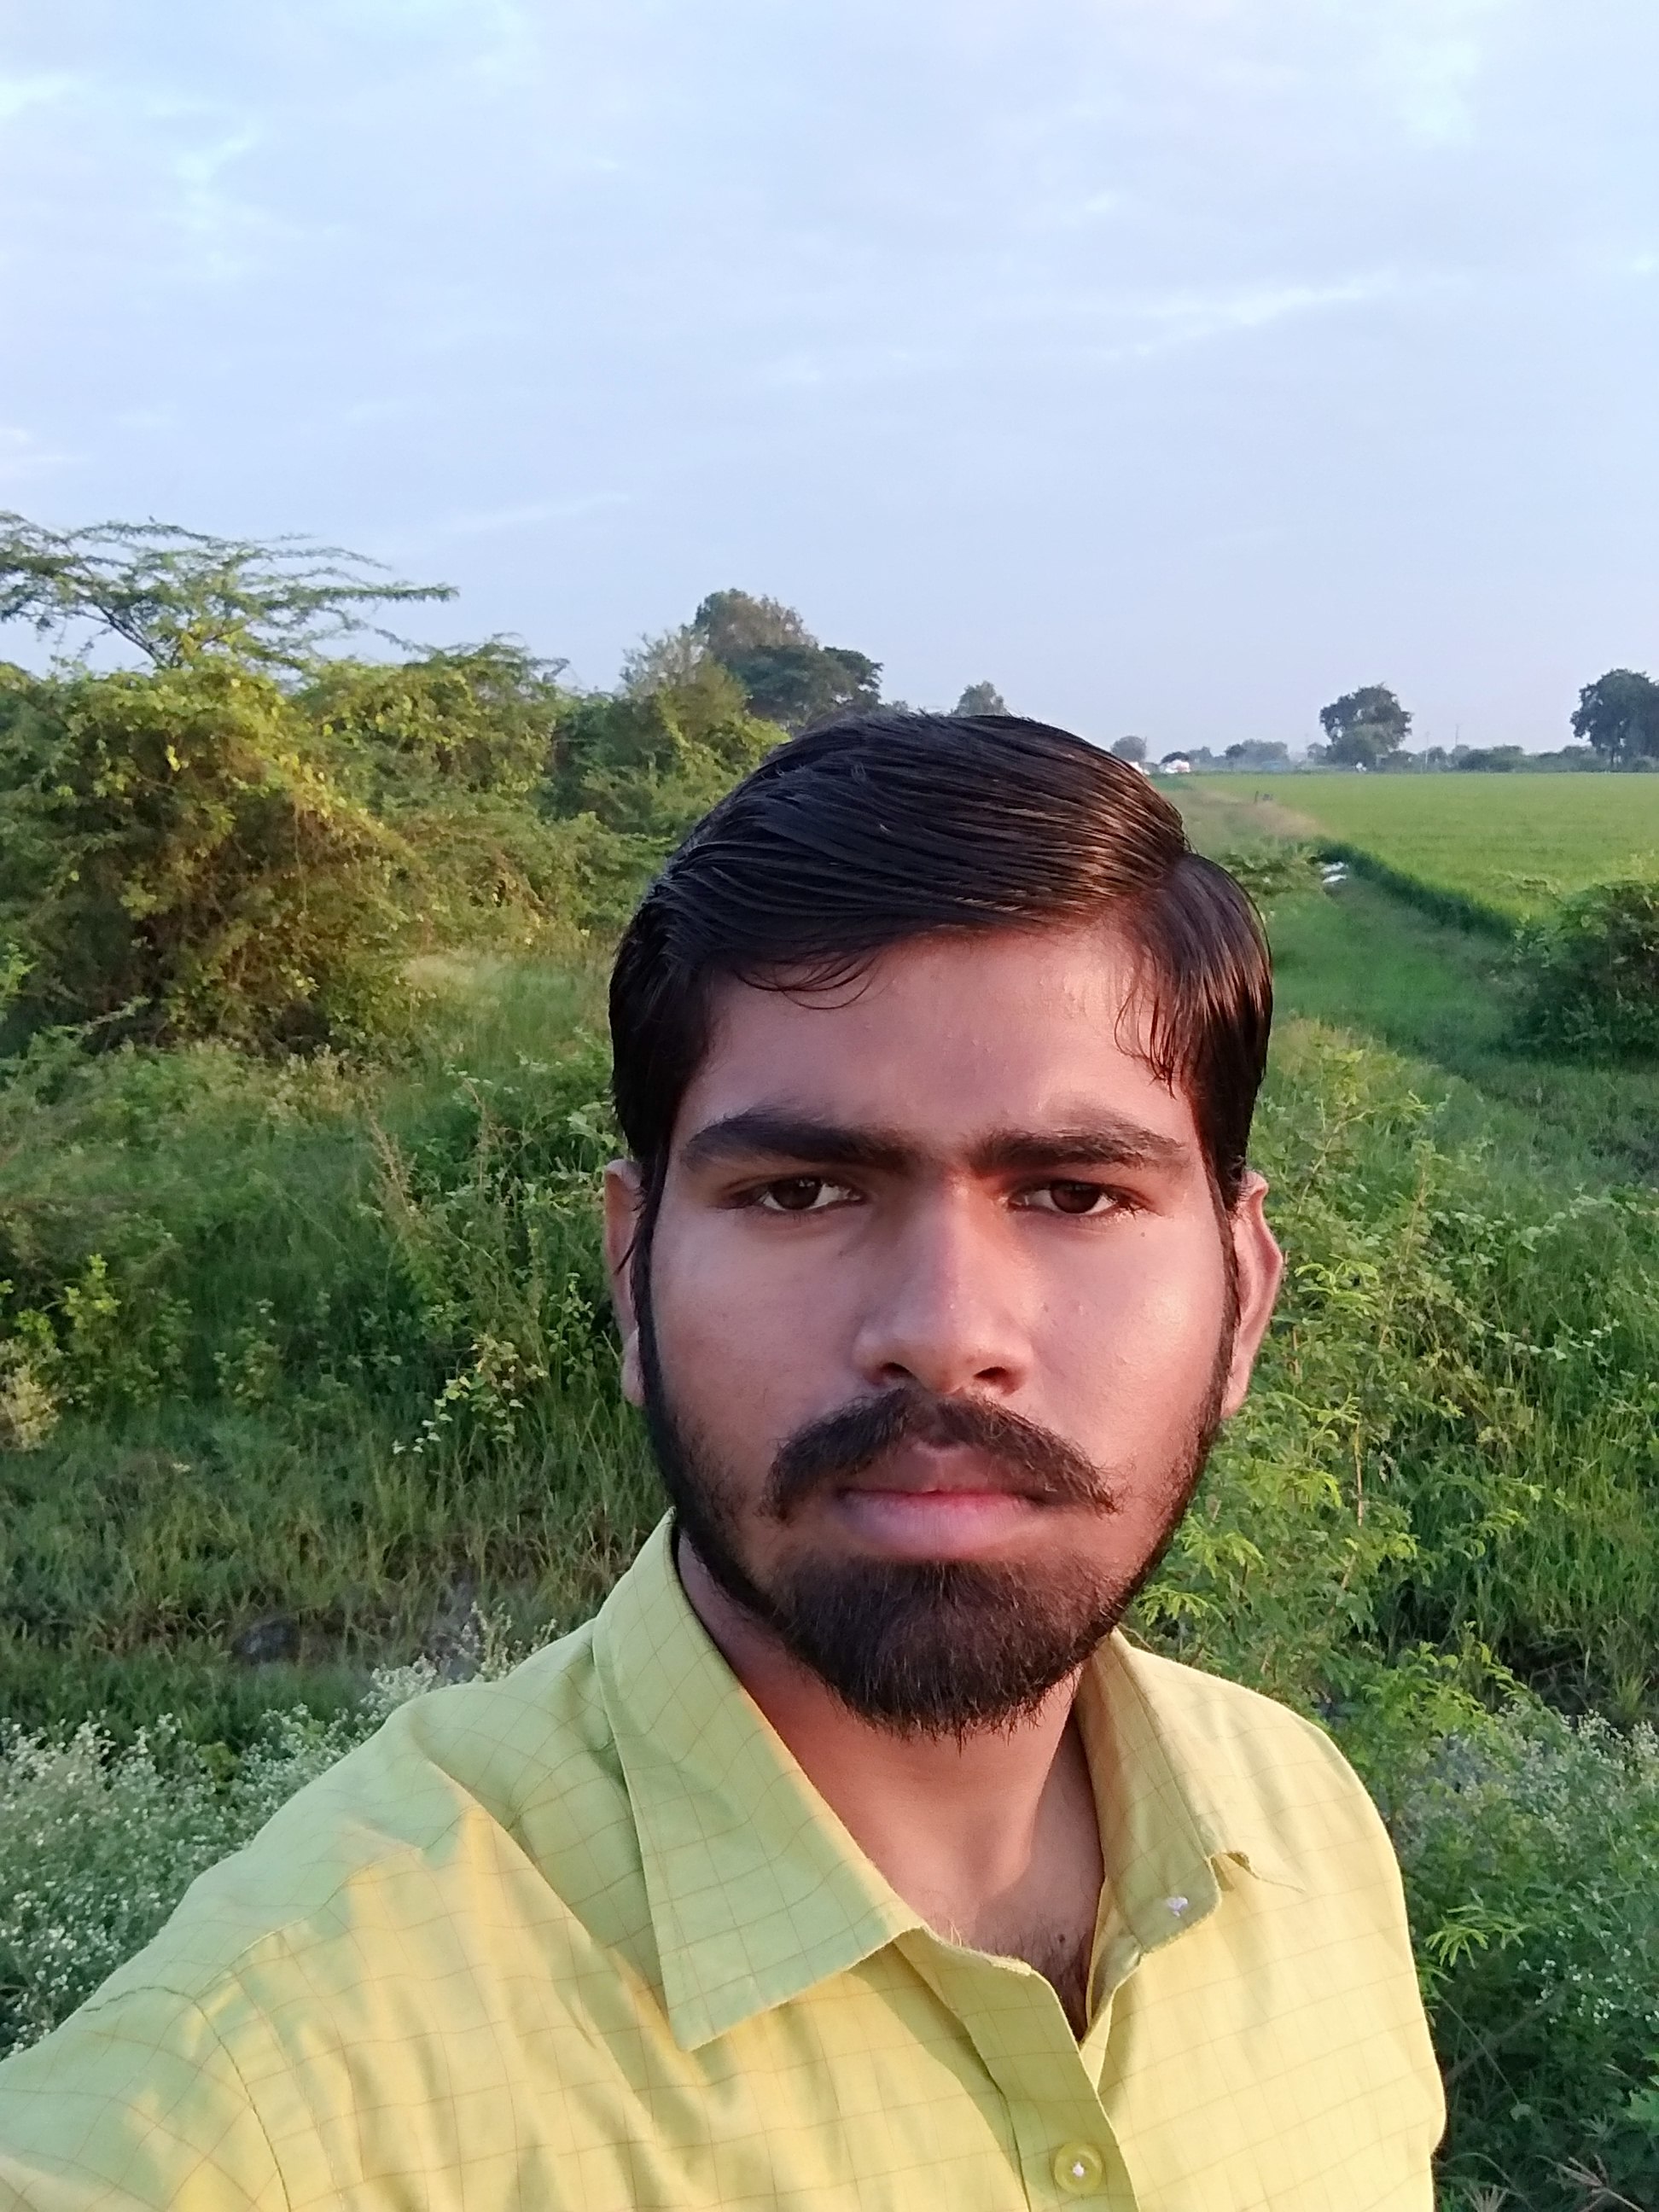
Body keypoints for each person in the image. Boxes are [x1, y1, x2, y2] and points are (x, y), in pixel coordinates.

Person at [0, 715, 1443, 2209]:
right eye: (802, 1190)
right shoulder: (264, 2094)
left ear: (1244, 1297)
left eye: (1074, 1194)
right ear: (632, 1280)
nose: (943, 1334)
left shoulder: (1304, 1824)